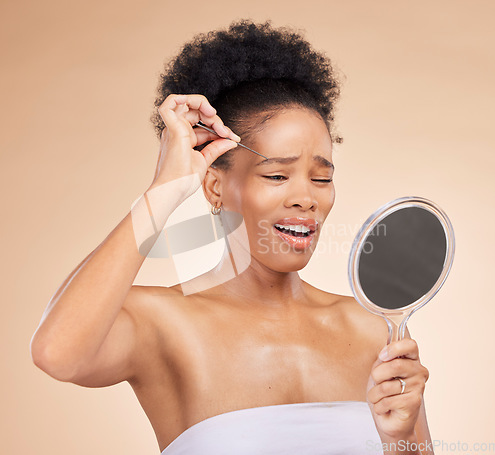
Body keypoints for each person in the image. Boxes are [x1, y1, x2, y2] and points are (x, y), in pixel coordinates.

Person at [30, 20, 432, 455]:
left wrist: (402, 439)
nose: (305, 198)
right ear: (215, 186)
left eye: (321, 177)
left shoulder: (374, 327)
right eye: (277, 174)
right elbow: (57, 352)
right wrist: (164, 188)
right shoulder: (164, 324)